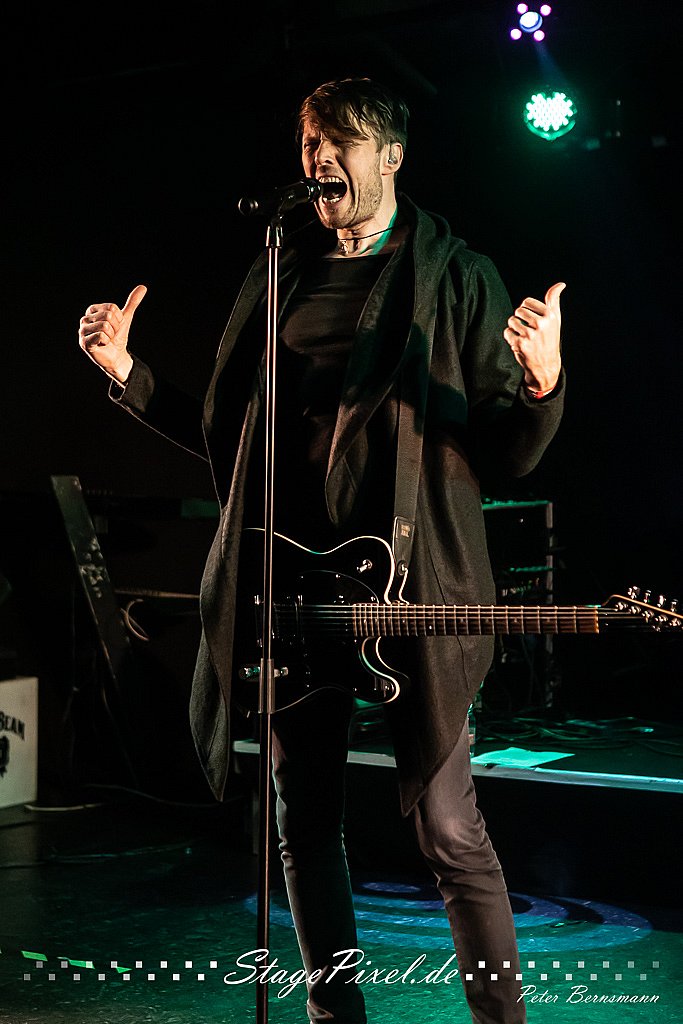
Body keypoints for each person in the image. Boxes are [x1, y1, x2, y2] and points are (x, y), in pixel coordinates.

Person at [79, 77, 565, 1024]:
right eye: (309, 141)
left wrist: (541, 383)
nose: (319, 159)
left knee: (447, 828)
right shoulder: (279, 273)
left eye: (341, 142)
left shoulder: (455, 276)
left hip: (412, 590)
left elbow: (504, 450)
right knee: (301, 820)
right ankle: (332, 1016)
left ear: (392, 157)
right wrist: (128, 375)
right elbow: (232, 445)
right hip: (294, 589)